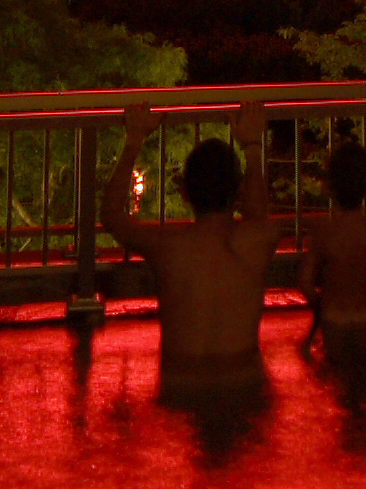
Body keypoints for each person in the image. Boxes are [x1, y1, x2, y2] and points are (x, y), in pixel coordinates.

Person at [104, 101, 279, 373]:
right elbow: (258, 216)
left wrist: (134, 140)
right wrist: (253, 147)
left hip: (182, 382)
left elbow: (113, 217)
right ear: (240, 191)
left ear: (184, 193)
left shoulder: (168, 248)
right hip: (242, 381)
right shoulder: (258, 241)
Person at [297, 135, 366, 353]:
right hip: (365, 319)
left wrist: (321, 306)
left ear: (330, 186)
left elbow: (305, 283)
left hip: (333, 319)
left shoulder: (323, 234)